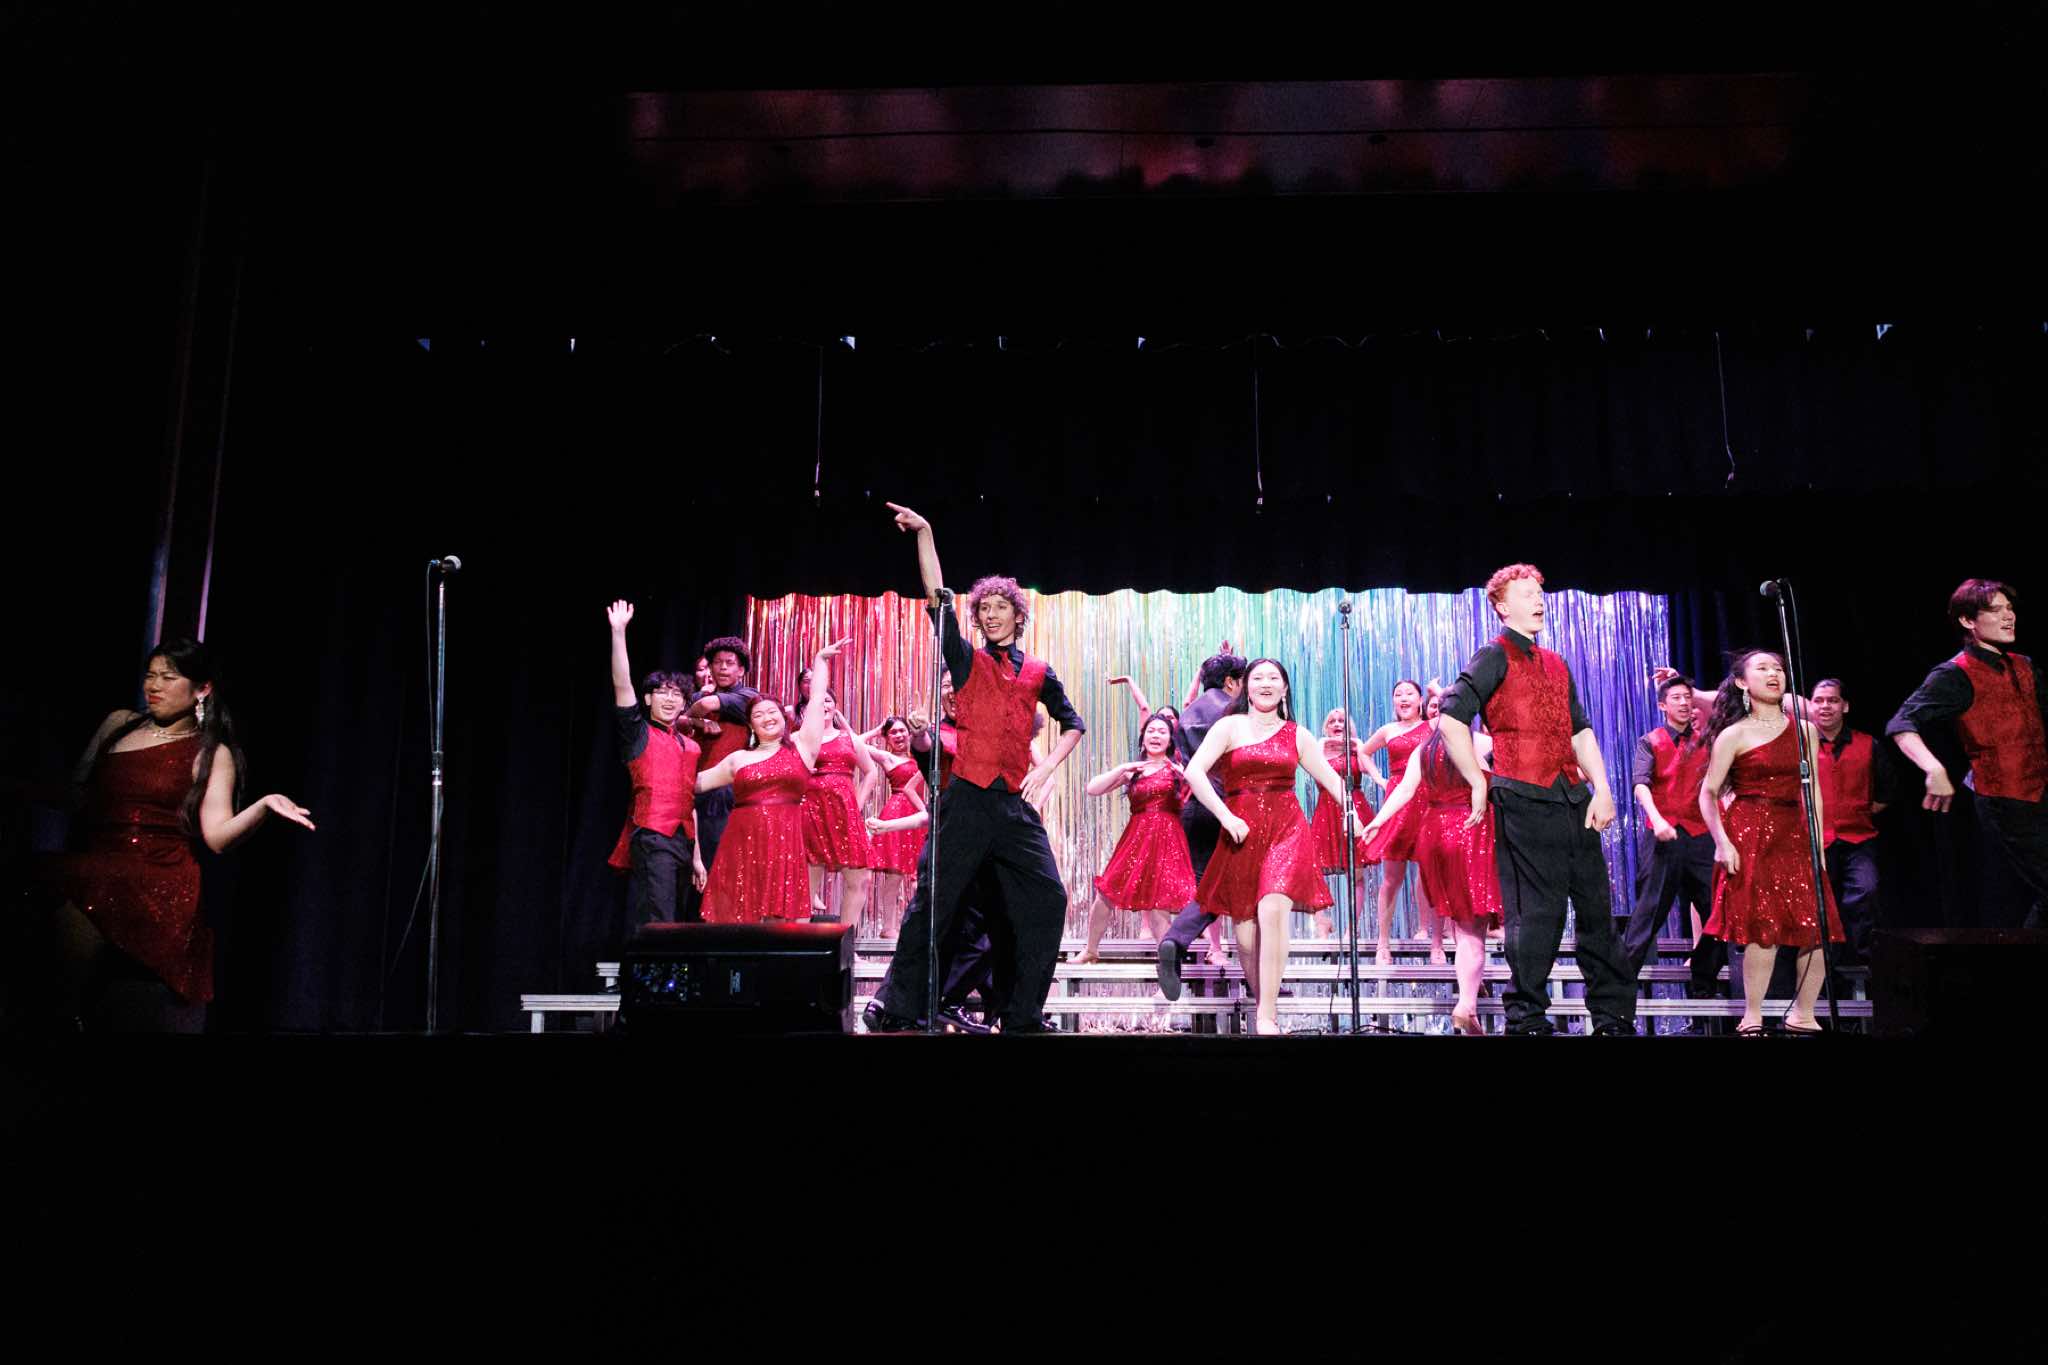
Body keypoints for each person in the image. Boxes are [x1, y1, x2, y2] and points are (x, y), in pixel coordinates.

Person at [862, 503, 1086, 1034]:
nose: (989, 614)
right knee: (934, 905)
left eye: (999, 607)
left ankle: (1022, 1014)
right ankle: (897, 1007)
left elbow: (1073, 723)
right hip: (965, 801)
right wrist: (926, 534)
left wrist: (1047, 768)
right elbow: (937, 596)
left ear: (1017, 615)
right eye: (983, 607)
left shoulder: (1039, 671)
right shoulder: (966, 660)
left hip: (1011, 806)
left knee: (1047, 898)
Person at [36, 638, 314, 1031]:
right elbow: (76, 795)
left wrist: (264, 805)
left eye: (168, 678)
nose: (154, 686)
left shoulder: (210, 752)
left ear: (202, 689)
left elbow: (217, 836)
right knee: (54, 875)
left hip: (158, 875)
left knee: (88, 879)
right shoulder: (118, 724)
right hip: (100, 860)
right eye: (150, 676)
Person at [1437, 563, 1636, 1036]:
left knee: (1596, 911)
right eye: (1526, 594)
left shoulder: (1556, 662)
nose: (1538, 601)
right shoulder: (1494, 654)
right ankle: (1526, 1016)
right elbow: (1451, 717)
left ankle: (1612, 1016)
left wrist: (1603, 789)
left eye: (1539, 593)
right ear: (1503, 606)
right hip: (1523, 799)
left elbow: (1580, 731)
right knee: (1537, 913)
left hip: (1572, 797)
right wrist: (1478, 780)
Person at [1184, 658, 1359, 1034]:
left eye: (1273, 678)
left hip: (1287, 830)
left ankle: (1268, 1013)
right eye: (1258, 677)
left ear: (1284, 688)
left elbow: (1333, 781)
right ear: (1245, 687)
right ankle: (1261, 998)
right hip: (1241, 833)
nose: (1265, 683)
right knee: (1246, 935)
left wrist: (1352, 814)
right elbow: (1194, 772)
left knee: (1273, 907)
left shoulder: (1297, 734)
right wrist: (1225, 816)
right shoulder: (1229, 726)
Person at [1699, 650, 1845, 1035]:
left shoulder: (1805, 730)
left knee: (1817, 925)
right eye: (1762, 668)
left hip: (1793, 830)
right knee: (1763, 927)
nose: (1773, 674)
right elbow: (1708, 792)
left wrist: (1818, 843)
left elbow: (1813, 791)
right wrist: (1722, 842)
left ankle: (1804, 1013)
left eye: (1778, 668)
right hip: (1751, 831)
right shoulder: (1734, 734)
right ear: (1742, 683)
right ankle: (1752, 1014)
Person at [1888, 580, 2048, 927]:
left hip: (2041, 795)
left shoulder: (2024, 665)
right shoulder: (1955, 673)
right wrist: (1934, 769)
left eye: (2010, 608)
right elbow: (1901, 723)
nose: (2008, 617)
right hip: (2005, 801)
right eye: (1995, 610)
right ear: (1967, 621)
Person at [695, 641, 848, 923]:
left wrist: (820, 662)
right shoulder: (738, 759)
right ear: (751, 725)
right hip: (740, 846)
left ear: (784, 718)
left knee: (782, 926)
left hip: (784, 847)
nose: (766, 718)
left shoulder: (802, 748)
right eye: (758, 715)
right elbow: (693, 784)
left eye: (772, 712)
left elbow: (816, 701)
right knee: (737, 921)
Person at [1364, 720, 1500, 1033]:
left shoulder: (1423, 749)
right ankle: (1466, 1004)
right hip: (1471, 832)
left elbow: (1404, 790)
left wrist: (1379, 820)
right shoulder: (1480, 742)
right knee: (1472, 929)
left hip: (1435, 834)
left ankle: (1469, 999)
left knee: (1462, 926)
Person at [1154, 649, 1249, 1000]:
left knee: (1207, 888)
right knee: (1248, 890)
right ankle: (1261, 981)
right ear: (1231, 682)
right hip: (1229, 807)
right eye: (1245, 681)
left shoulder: (1190, 712)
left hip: (1196, 809)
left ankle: (1175, 940)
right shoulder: (1234, 711)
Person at [605, 600, 706, 928]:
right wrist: (618, 633)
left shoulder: (690, 746)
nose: (670, 699)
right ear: (648, 698)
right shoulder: (638, 733)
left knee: (675, 924)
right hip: (652, 836)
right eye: (662, 692)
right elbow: (622, 684)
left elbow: (690, 801)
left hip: (683, 841)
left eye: (677, 694)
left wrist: (697, 858)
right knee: (658, 922)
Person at [1622, 672, 1722, 996]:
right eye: (1676, 698)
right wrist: (1657, 819)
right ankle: (1618, 990)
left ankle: (1703, 980)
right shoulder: (1650, 740)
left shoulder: (1708, 741)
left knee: (1719, 914)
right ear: (1662, 705)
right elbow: (1640, 784)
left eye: (1687, 697)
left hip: (1700, 835)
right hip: (1663, 836)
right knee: (1648, 914)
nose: (1683, 703)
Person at [1071, 713, 1200, 961]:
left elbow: (1199, 794)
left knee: (1160, 905)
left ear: (1170, 739)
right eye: (1151, 730)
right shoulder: (1133, 771)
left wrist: (1186, 775)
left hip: (1168, 840)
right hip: (1137, 838)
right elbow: (1092, 789)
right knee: (1106, 893)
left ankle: (1167, 969)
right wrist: (1122, 768)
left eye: (1162, 731)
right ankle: (1091, 950)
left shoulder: (1179, 771)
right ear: (1143, 737)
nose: (1156, 735)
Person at [1809, 679, 1894, 960]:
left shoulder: (1868, 744)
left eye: (1832, 700)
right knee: (1818, 904)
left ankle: (1864, 965)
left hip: (1858, 839)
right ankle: (1825, 969)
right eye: (1819, 700)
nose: (1825, 706)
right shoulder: (1799, 747)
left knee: (1866, 891)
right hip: (1814, 841)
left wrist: (1854, 812)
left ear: (1844, 706)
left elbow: (1885, 793)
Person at [1360, 681, 1443, 966]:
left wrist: (1436, 692)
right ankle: (1382, 942)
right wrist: (1380, 779)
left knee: (1432, 876)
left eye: (1409, 693)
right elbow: (1363, 753)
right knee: (1391, 878)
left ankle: (1437, 943)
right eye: (1398, 694)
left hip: (1428, 798)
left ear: (1420, 700)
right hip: (1398, 801)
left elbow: (1455, 714)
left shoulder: (1433, 726)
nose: (1403, 698)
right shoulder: (1388, 730)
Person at [684, 634, 762, 900]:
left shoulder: (748, 697)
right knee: (691, 868)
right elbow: (676, 722)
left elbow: (706, 705)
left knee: (720, 865)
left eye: (730, 663)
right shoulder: (696, 694)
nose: (723, 668)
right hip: (693, 788)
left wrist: (693, 716)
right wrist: (695, 721)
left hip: (725, 792)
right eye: (717, 663)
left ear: (741, 670)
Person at [797, 688, 880, 927]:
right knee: (806, 884)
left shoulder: (850, 738)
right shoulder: (797, 740)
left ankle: (844, 942)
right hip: (810, 812)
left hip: (844, 814)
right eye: (816, 701)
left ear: (835, 707)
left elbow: (871, 772)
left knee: (860, 879)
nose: (823, 705)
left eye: (828, 700)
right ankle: (797, 943)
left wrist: (857, 804)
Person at [1305, 706, 1374, 941]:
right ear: (1325, 728)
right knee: (1313, 869)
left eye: (1341, 721)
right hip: (1326, 812)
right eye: (1332, 721)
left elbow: (1366, 767)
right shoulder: (1318, 751)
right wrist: (1322, 743)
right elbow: (1311, 765)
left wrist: (1358, 744)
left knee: (1356, 873)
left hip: (1355, 811)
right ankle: (1321, 921)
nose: (1337, 724)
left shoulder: (1357, 751)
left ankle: (1352, 928)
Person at [861, 716, 927, 933]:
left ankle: (919, 928)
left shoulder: (922, 754)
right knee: (894, 875)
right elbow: (855, 742)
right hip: (897, 813)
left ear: (909, 732)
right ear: (887, 738)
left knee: (921, 873)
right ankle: (888, 927)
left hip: (919, 814)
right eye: (893, 732)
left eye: (902, 730)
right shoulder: (887, 757)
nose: (898, 735)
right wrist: (876, 730)